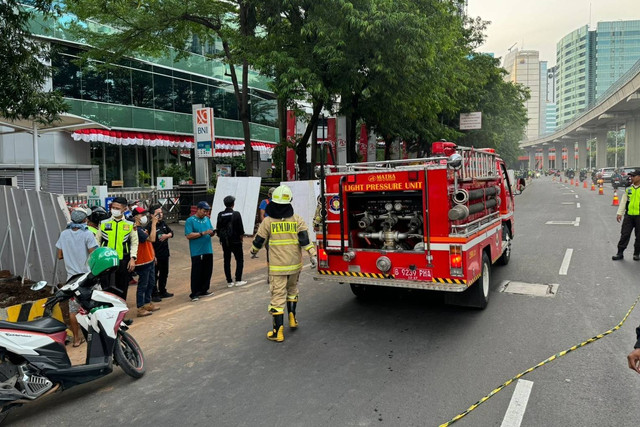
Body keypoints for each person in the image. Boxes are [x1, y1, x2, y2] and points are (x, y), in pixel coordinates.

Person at [250, 185, 317, 343]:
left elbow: (259, 241)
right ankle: (292, 318)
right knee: (292, 290)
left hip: (277, 268)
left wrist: (253, 251)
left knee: (277, 297)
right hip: (295, 266)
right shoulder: (297, 219)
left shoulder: (267, 222)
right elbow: (305, 240)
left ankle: (277, 332)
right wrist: (313, 255)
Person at [55, 208, 98, 347]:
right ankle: (96, 333)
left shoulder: (63, 234)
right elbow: (93, 255)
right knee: (95, 302)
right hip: (87, 276)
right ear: (85, 220)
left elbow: (60, 255)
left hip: (72, 278)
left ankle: (76, 339)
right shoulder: (88, 234)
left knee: (73, 309)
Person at [96, 197, 139, 301]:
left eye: (117, 208)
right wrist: (98, 258)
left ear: (124, 209)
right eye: (113, 207)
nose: (114, 209)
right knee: (105, 288)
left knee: (122, 287)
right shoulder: (103, 222)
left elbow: (134, 242)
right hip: (106, 261)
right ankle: (106, 313)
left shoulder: (130, 224)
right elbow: (97, 241)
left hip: (123, 260)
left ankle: (121, 314)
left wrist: (133, 258)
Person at [131, 207, 159, 317]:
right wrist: (154, 224)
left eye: (144, 214)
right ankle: (140, 307)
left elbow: (149, 244)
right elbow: (152, 239)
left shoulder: (141, 229)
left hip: (149, 259)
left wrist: (153, 256)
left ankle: (147, 303)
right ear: (135, 217)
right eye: (141, 214)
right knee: (143, 285)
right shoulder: (137, 230)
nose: (144, 216)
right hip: (142, 262)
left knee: (151, 283)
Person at [185, 201, 215, 301]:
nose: (206, 213)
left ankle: (204, 289)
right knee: (196, 272)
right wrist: (203, 233)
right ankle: (194, 293)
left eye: (207, 211)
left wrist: (211, 233)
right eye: (204, 211)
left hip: (208, 249)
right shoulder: (190, 220)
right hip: (197, 251)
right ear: (198, 209)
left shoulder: (207, 219)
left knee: (207, 270)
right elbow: (188, 235)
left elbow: (210, 229)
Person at [215, 195, 247, 288]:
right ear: (233, 204)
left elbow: (218, 228)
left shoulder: (220, 214)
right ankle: (238, 280)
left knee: (227, 260)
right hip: (236, 240)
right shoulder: (236, 214)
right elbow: (240, 229)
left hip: (225, 241)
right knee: (239, 259)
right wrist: (241, 238)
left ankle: (229, 281)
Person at [147, 203, 174, 300]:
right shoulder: (149, 227)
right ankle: (154, 294)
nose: (160, 215)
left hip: (164, 254)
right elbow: (149, 243)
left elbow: (171, 232)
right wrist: (152, 256)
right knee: (154, 275)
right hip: (155, 255)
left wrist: (167, 235)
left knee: (164, 273)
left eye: (161, 213)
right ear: (152, 215)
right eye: (158, 213)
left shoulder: (163, 224)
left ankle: (162, 290)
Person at [612, 170, 640, 261]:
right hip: (629, 216)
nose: (631, 178)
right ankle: (620, 253)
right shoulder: (628, 188)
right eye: (631, 176)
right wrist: (620, 213)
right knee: (624, 234)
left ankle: (636, 253)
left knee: (639, 236)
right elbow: (624, 201)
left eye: (633, 176)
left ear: (639, 177)